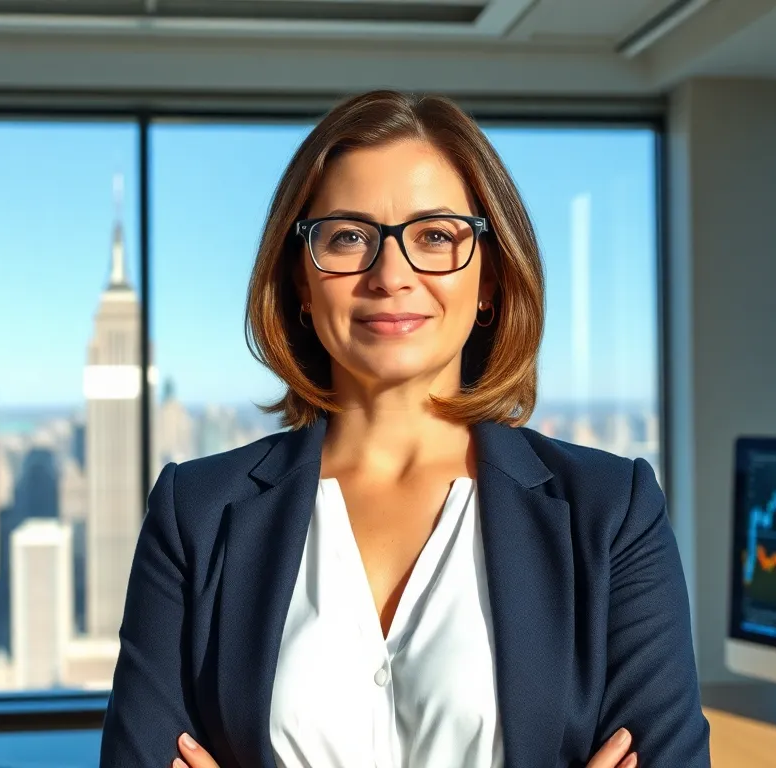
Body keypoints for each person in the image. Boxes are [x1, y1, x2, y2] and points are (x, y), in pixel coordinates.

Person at [99, 90, 711, 768]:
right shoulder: (196, 515)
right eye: (348, 237)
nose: (391, 275)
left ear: (489, 278)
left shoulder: (610, 513)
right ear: (302, 281)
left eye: (435, 236)